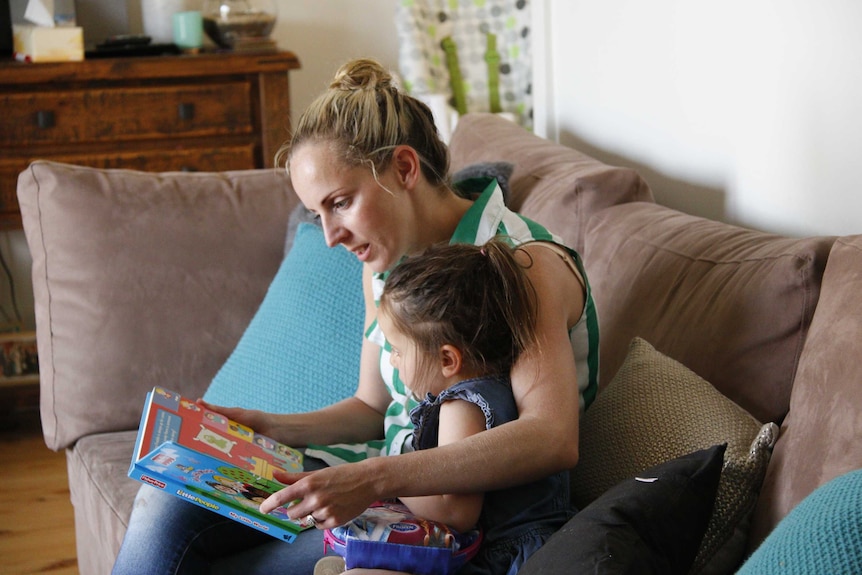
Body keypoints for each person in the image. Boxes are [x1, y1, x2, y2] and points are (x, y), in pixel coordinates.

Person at [112, 58, 598, 575]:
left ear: (405, 169)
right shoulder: (387, 261)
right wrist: (266, 427)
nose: (330, 236)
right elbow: (373, 406)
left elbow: (552, 437)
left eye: (339, 203)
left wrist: (372, 480)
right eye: (317, 213)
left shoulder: (521, 263)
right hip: (377, 485)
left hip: (443, 518)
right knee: (163, 500)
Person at [315, 238, 577, 575]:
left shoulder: (462, 404)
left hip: (505, 559)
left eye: (397, 349)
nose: (393, 361)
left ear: (447, 359)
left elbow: (452, 509)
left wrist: (383, 490)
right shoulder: (489, 389)